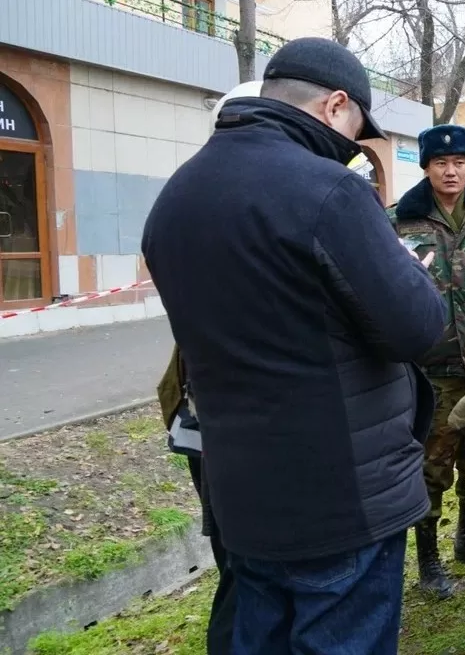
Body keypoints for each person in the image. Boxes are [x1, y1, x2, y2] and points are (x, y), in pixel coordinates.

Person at [142, 37, 448, 655]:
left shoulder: (175, 196)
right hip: (342, 501)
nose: (358, 145)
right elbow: (418, 328)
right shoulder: (329, 191)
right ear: (337, 104)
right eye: (359, 128)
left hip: (242, 499)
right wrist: (408, 269)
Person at [150, 80, 269, 655]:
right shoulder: (248, 211)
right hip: (236, 425)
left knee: (239, 566)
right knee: (250, 572)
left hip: (206, 422)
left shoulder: (193, 198)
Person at [387, 123, 465, 598]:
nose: (451, 171)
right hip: (429, 367)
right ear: (427, 167)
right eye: (441, 163)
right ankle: (429, 561)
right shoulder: (399, 220)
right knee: (430, 467)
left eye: (459, 163)